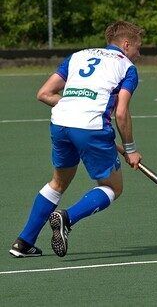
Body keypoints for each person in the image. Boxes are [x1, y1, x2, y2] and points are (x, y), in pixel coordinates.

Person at [9, 21, 144, 258]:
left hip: (60, 123)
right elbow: (121, 112)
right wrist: (131, 149)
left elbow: (44, 93)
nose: (139, 54)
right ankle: (67, 218)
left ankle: (23, 242)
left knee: (58, 183)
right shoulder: (127, 67)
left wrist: (76, 106)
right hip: (91, 127)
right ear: (126, 44)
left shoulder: (78, 56)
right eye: (138, 48)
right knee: (113, 186)